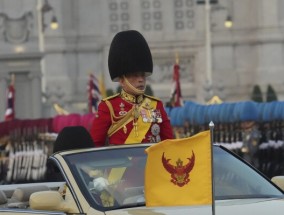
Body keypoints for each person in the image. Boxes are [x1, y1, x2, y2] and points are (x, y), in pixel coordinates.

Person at [90, 30, 173, 146]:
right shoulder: (108, 107)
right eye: (135, 75)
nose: (141, 79)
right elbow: (95, 144)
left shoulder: (156, 105)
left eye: (142, 75)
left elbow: (169, 143)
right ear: (122, 80)